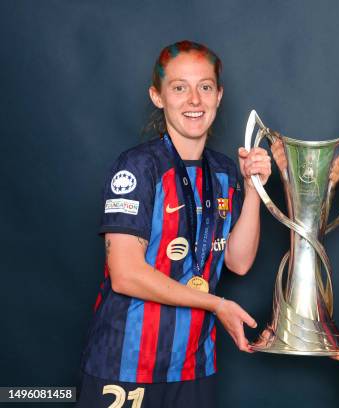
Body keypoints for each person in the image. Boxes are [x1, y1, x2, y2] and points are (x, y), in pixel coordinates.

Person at [77, 40, 271, 408]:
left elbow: (239, 261)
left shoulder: (226, 172)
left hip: (194, 367)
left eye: (205, 87)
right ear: (157, 96)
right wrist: (216, 304)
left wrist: (254, 189)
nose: (194, 100)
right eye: (179, 88)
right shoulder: (138, 167)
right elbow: (125, 274)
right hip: (125, 367)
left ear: (219, 95)